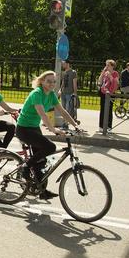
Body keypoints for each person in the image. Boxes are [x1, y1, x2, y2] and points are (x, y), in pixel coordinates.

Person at [15, 70, 80, 199]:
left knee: (40, 161)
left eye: (54, 81)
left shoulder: (51, 94)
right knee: (50, 147)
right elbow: (42, 114)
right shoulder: (37, 93)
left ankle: (42, 192)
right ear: (42, 81)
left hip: (34, 128)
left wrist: (75, 125)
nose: (52, 84)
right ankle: (25, 167)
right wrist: (53, 129)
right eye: (49, 81)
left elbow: (63, 111)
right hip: (24, 129)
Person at [98, 59, 119, 132]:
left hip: (111, 94)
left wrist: (110, 76)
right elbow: (100, 81)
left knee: (109, 110)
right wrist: (103, 72)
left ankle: (109, 127)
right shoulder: (105, 73)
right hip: (103, 93)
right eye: (106, 65)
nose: (106, 67)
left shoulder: (115, 73)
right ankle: (101, 126)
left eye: (108, 65)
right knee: (102, 110)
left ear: (112, 66)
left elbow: (116, 83)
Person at [58, 59, 78, 128]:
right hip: (63, 93)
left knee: (67, 109)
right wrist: (60, 90)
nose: (63, 65)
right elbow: (63, 83)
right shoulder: (64, 72)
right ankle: (64, 124)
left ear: (67, 64)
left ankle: (65, 124)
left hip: (69, 94)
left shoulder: (73, 72)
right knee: (63, 109)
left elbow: (74, 83)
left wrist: (75, 94)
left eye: (64, 63)